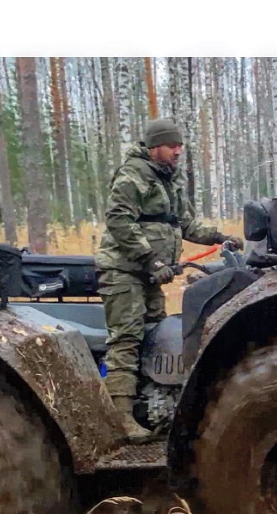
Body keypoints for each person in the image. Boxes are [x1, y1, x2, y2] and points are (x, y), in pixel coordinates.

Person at [96, 117, 236, 442]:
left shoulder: (169, 180)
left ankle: (149, 409)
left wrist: (220, 237)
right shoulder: (133, 175)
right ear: (154, 146)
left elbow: (185, 223)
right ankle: (120, 417)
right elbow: (119, 221)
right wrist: (151, 259)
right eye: (172, 145)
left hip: (149, 274)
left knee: (155, 336)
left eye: (180, 145)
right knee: (127, 338)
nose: (178, 151)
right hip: (124, 271)